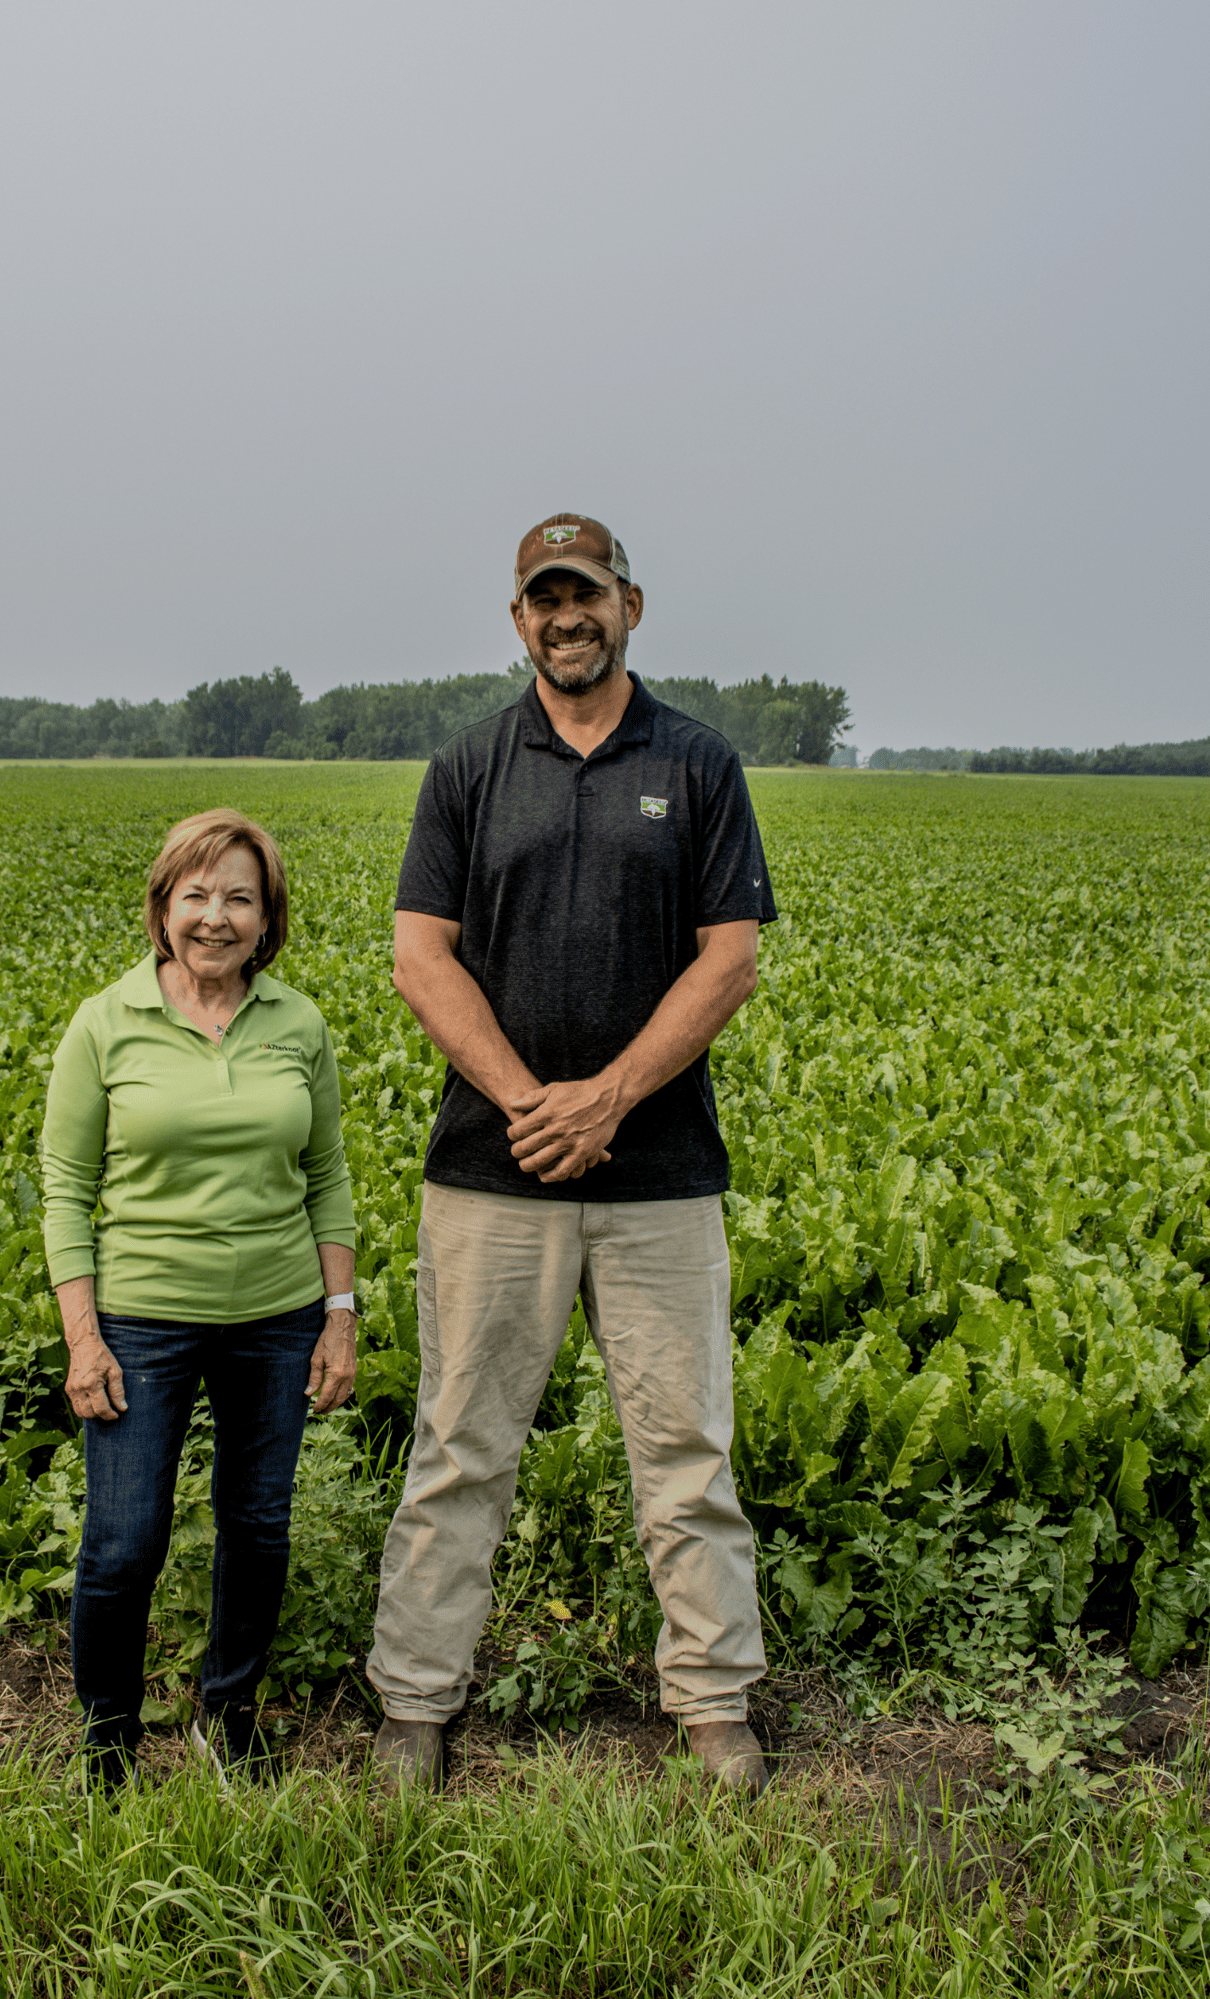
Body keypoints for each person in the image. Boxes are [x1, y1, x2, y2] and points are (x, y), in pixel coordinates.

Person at [366, 513, 776, 1796]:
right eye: (545, 599)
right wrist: (528, 1099)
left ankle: (713, 1705)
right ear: (518, 619)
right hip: (491, 1177)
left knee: (685, 1448)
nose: (567, 617)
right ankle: (416, 1703)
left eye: (586, 594)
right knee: (459, 1443)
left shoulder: (698, 764)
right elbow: (418, 954)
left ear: (631, 605)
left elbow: (732, 957)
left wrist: (609, 1096)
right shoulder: (471, 765)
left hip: (659, 1179)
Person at [40, 808, 359, 1784]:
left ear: (268, 919)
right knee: (124, 1539)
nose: (215, 917)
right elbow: (66, 1185)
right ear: (162, 906)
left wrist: (339, 1317)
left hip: (276, 1316)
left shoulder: (297, 1023)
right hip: (142, 1319)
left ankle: (231, 1712)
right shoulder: (107, 1021)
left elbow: (329, 1178)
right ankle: (107, 1734)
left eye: (239, 898)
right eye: (196, 895)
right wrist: (84, 1338)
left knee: (257, 1526)